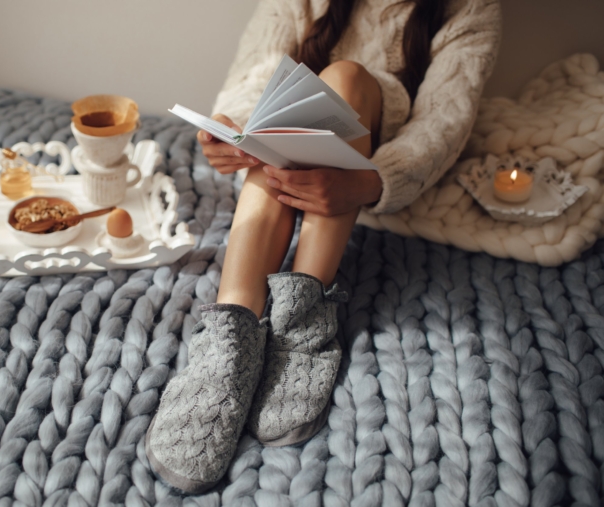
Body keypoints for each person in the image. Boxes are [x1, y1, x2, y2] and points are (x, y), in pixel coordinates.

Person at [145, 0, 501, 494]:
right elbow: (257, 68)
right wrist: (236, 129)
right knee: (290, 111)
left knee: (347, 77)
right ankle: (231, 332)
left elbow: (444, 123)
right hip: (280, 157)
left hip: (369, 154)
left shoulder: (471, 8)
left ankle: (302, 313)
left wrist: (371, 182)